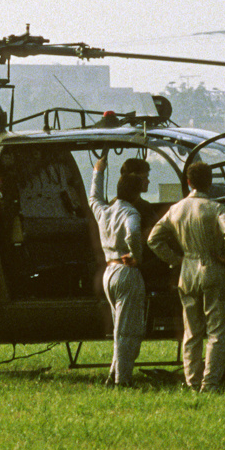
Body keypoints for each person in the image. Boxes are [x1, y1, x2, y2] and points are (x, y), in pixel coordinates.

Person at [148, 161, 225, 392]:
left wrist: (175, 260)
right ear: (209, 182)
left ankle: (192, 382)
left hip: (186, 271)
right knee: (217, 330)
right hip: (212, 269)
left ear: (188, 182)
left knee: (192, 331)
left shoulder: (176, 209)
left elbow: (153, 239)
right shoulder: (216, 207)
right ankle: (210, 383)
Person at [88, 154, 151, 387]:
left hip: (108, 272)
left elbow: (93, 196)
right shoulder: (131, 213)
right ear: (136, 194)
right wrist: (137, 256)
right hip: (126, 271)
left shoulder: (104, 211)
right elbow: (133, 233)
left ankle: (113, 376)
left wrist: (98, 171)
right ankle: (122, 380)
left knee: (119, 329)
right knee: (129, 332)